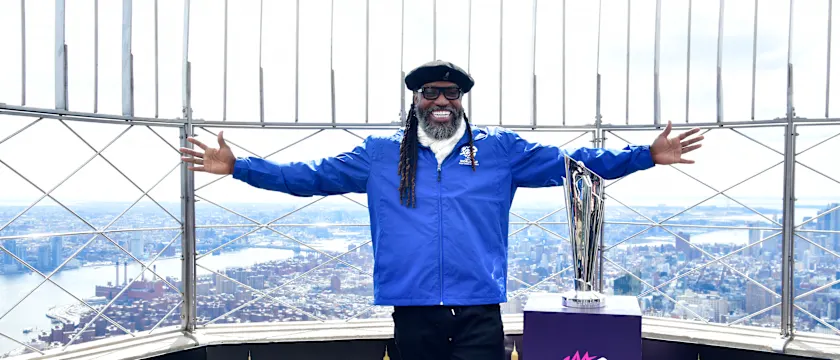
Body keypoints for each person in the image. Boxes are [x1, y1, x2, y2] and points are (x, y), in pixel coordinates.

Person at [180, 60, 704, 360]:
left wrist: (646, 156)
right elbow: (307, 177)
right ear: (414, 101)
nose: (440, 100)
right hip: (412, 310)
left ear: (462, 100)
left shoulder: (500, 151)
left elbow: (576, 165)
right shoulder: (379, 155)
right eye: (429, 92)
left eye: (451, 93)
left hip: (479, 309)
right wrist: (239, 166)